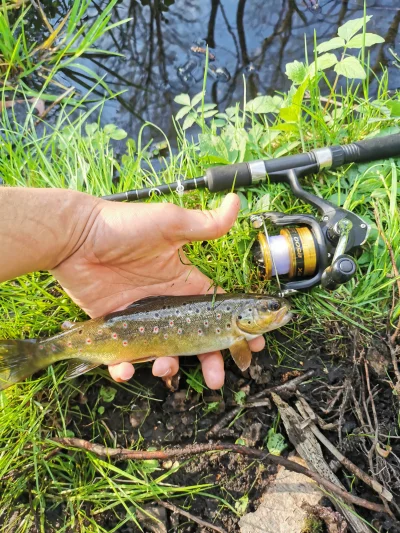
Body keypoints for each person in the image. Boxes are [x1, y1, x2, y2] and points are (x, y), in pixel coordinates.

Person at [0, 187, 265, 389]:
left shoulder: (235, 329)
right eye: (270, 308)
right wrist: (80, 232)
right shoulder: (235, 330)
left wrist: (77, 233)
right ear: (243, 315)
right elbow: (242, 359)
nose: (278, 311)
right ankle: (35, 354)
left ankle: (33, 355)